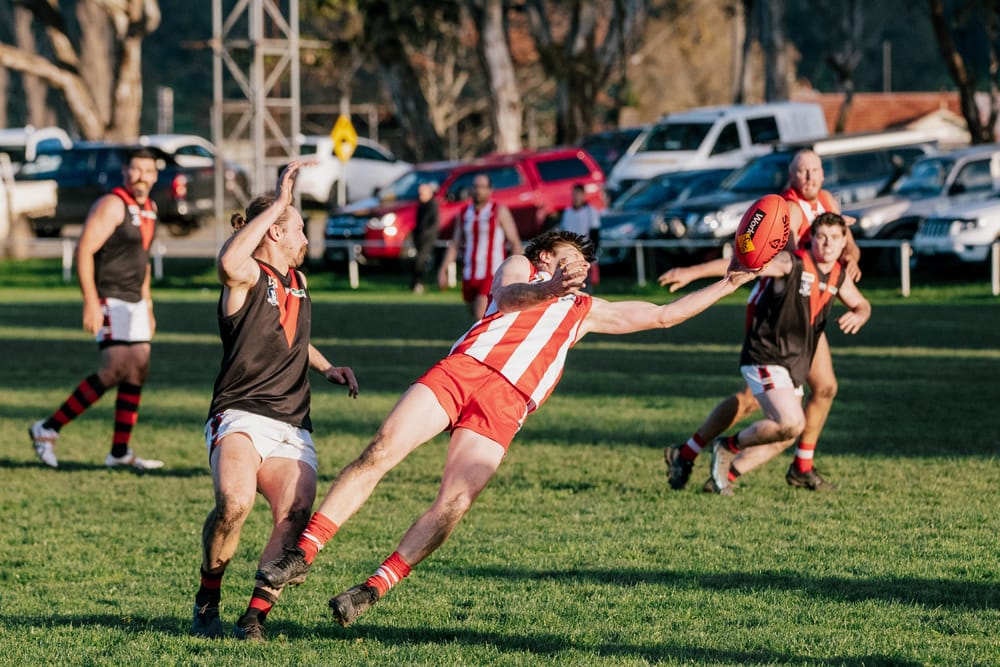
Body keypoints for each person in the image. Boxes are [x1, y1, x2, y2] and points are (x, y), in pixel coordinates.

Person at [254, 230, 757, 627]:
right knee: (381, 450)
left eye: (583, 262)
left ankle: (372, 588)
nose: (577, 264)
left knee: (454, 503)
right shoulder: (525, 266)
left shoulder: (586, 311)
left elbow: (664, 316)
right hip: (465, 369)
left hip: (507, 403)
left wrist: (729, 283)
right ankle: (304, 554)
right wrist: (547, 287)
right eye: (568, 254)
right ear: (547, 255)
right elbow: (510, 294)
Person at [191, 162, 359, 641]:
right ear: (276, 232)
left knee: (296, 514)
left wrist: (325, 367)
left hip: (292, 423)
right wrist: (279, 204)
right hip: (241, 412)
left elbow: (289, 338)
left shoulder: (299, 284)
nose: (306, 238)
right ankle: (208, 596)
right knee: (234, 503)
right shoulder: (246, 276)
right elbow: (227, 263)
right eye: (299, 230)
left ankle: (254, 617)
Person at [660, 149, 862, 492]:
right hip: (777, 310)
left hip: (810, 310)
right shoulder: (790, 212)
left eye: (814, 170)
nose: (809, 177)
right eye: (802, 172)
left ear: (823, 174)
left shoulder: (827, 201)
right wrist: (693, 270)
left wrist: (851, 260)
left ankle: (800, 465)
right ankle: (690, 451)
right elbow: (750, 255)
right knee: (753, 402)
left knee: (824, 388)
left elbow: (849, 246)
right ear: (791, 177)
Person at [706, 213, 871, 495]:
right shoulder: (792, 263)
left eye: (834, 237)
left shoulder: (838, 275)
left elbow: (862, 303)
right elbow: (752, 266)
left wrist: (860, 314)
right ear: (812, 239)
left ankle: (725, 475)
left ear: (845, 241)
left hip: (792, 363)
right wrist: (690, 272)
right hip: (766, 355)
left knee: (786, 433)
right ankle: (726, 446)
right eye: (821, 236)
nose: (827, 244)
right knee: (791, 422)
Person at [28, 147, 165, 470]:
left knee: (138, 368)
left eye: (147, 171)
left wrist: (148, 304)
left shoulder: (150, 209)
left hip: (135, 300)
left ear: (155, 176)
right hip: (110, 296)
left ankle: (119, 452)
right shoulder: (112, 204)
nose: (141, 176)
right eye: (135, 170)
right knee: (116, 367)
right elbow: (85, 251)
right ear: (126, 173)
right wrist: (90, 301)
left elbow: (142, 260)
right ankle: (47, 429)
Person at [437, 173, 523, 320]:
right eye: (475, 186)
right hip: (469, 274)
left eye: (482, 187)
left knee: (480, 317)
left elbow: (515, 242)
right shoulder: (464, 213)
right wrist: (443, 269)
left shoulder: (498, 211)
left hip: (492, 274)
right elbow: (455, 244)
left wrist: (513, 272)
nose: (478, 190)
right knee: (478, 318)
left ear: (490, 190)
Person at [559, 183, 601, 289]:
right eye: (574, 194)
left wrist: (592, 254)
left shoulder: (590, 211)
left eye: (578, 194)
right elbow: (564, 233)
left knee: (585, 282)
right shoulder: (567, 212)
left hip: (585, 251)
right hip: (570, 251)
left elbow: (595, 233)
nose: (576, 197)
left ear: (583, 195)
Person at [410, 181, 440, 294]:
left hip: (428, 238)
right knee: (418, 261)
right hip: (420, 238)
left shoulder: (433, 205)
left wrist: (425, 234)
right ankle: (416, 283)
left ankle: (418, 283)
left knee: (420, 261)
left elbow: (434, 224)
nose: (420, 195)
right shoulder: (421, 205)